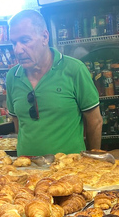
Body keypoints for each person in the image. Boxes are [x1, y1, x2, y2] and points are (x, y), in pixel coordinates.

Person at [6, 9, 103, 156]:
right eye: (14, 43)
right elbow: (18, 123)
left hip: (70, 171)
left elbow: (95, 122)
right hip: (27, 172)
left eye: (25, 41)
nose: (18, 50)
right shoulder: (12, 76)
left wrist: (92, 160)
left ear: (44, 37)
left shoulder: (74, 70)